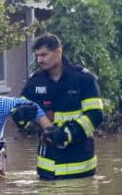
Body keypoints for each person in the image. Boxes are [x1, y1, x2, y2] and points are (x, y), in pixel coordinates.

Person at [14, 33, 104, 180]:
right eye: (37, 56)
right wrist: (20, 114)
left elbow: (95, 115)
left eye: (44, 55)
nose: (40, 60)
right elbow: (19, 116)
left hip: (80, 168)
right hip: (47, 171)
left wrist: (67, 134)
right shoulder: (35, 82)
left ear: (58, 51)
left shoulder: (83, 79)